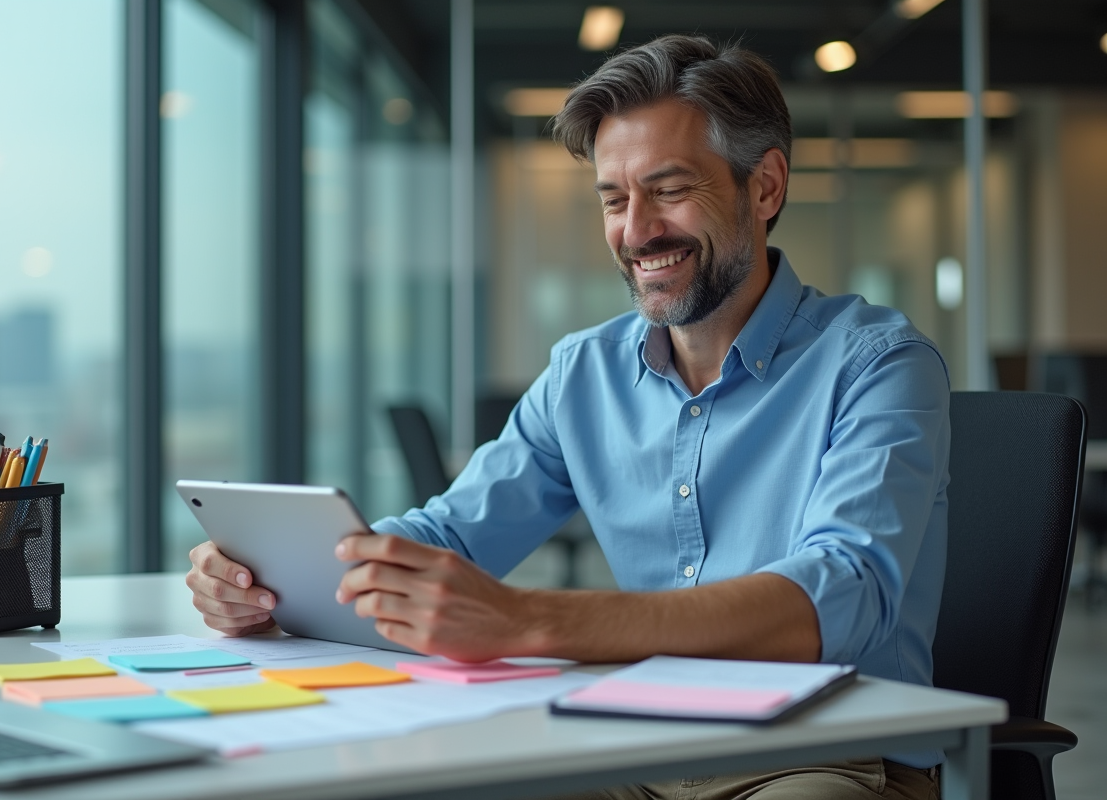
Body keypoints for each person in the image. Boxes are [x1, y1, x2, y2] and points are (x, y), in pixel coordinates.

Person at [185, 35, 949, 800]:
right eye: (614, 200)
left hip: (823, 755)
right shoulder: (584, 373)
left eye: (669, 189)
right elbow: (453, 534)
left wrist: (527, 620)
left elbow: (838, 596)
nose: (636, 231)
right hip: (632, 743)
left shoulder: (878, 363)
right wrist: (278, 580)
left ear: (766, 187)